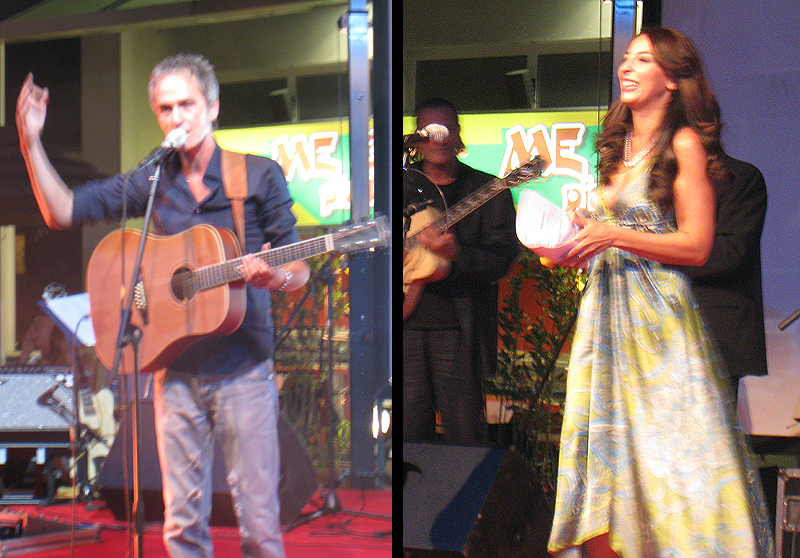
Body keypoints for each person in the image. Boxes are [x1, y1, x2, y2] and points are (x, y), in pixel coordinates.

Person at [17, 53, 310, 558]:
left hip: (243, 368)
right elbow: (62, 209)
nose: (178, 117)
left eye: (188, 104)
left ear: (213, 107)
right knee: (181, 526)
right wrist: (30, 141)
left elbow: (300, 268)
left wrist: (277, 275)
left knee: (260, 526)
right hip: (172, 367)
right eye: (166, 108)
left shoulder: (256, 176)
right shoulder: (151, 182)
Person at [545, 28, 774, 557]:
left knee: (671, 458)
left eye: (642, 60)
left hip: (657, 320)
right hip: (606, 315)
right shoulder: (618, 147)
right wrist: (577, 236)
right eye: (625, 58)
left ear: (671, 78)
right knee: (608, 450)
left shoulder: (683, 143)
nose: (626, 67)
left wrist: (614, 234)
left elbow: (696, 246)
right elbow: (619, 233)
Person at [402, 98, 519, 445]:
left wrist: (456, 255)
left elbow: (501, 261)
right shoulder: (401, 185)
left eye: (445, 130)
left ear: (457, 134)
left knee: (464, 435)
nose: (437, 139)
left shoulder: (488, 190)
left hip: (459, 330)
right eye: (428, 132)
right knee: (409, 434)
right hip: (405, 324)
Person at [673, 154, 769, 400]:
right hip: (646, 336)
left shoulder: (738, 178)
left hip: (711, 337)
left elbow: (730, 253)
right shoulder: (650, 179)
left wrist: (652, 252)